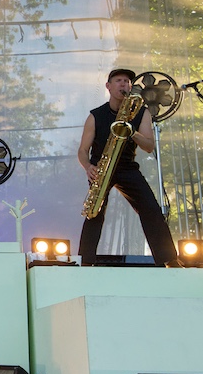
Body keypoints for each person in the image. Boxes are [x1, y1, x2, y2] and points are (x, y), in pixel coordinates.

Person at [77, 67, 179, 267]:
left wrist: (131, 130)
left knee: (151, 209)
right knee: (94, 212)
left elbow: (149, 146)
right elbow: (82, 150)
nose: (123, 84)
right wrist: (88, 166)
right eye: (118, 81)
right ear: (108, 86)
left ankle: (169, 260)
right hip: (102, 167)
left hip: (126, 167)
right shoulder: (95, 115)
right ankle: (85, 262)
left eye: (126, 81)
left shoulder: (142, 113)